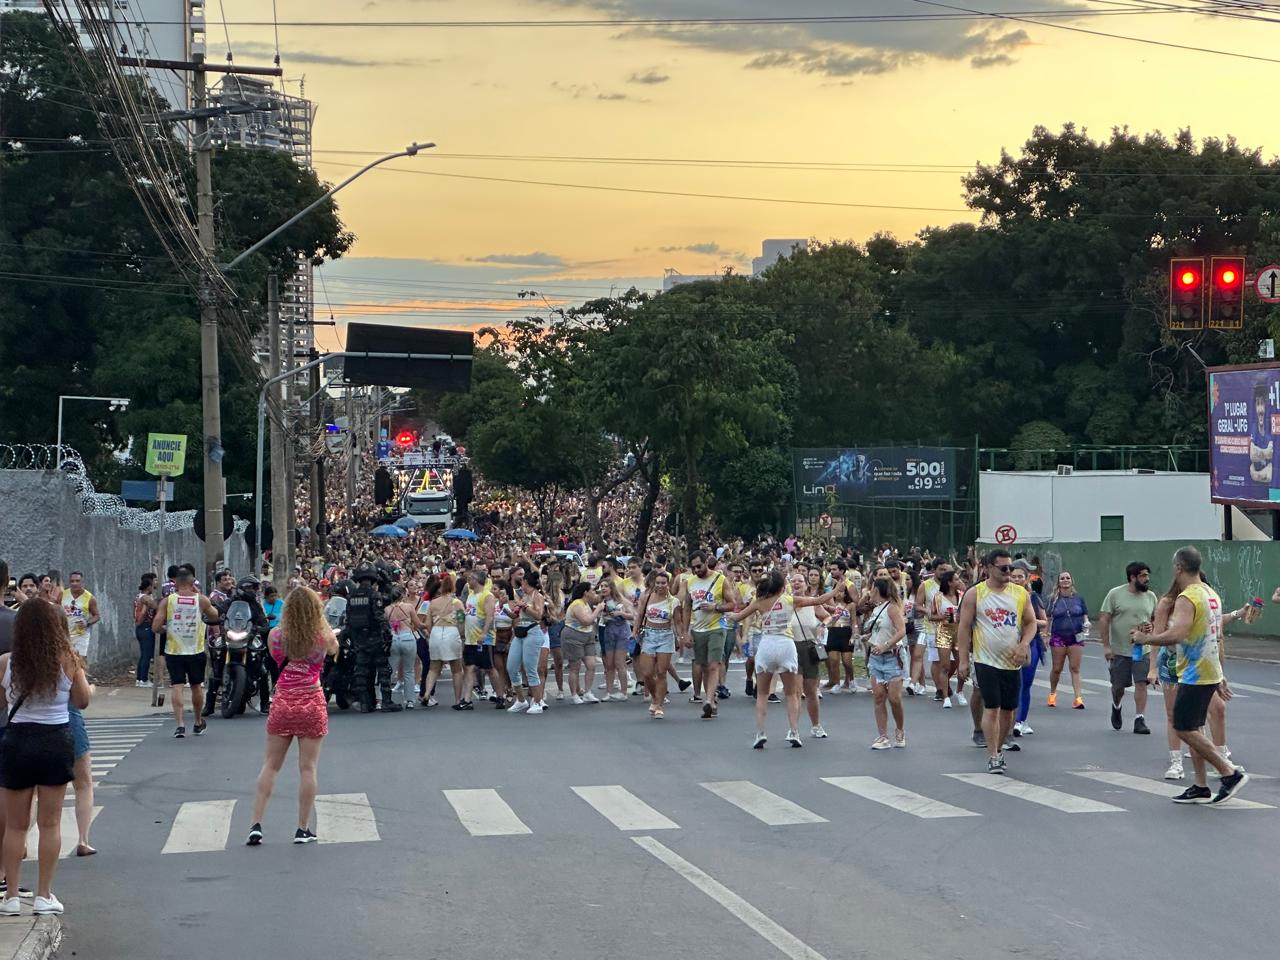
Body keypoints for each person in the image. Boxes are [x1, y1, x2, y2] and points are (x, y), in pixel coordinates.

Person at [0, 599, 93, 916]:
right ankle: (43, 895)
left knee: (15, 826)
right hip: (55, 740)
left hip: (16, 741)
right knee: (50, 823)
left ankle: (10, 897)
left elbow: (1, 703)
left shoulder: (6, 662)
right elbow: (82, 702)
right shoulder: (68, 659)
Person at [1138, 546, 1248, 804]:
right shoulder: (1210, 594)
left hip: (1195, 672)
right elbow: (1216, 635)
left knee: (1183, 727)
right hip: (1206, 669)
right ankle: (1200, 785)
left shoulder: (1187, 598)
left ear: (1178, 567)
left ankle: (1228, 773)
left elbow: (1177, 634)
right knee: (1195, 726)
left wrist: (1146, 638)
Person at [246, 586, 340, 846]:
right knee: (307, 768)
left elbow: (277, 660)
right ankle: (302, 828)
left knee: (271, 765)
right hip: (311, 699)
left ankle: (256, 823)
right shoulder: (322, 635)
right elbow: (334, 650)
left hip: (284, 700)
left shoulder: (276, 636)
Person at [728, 570, 834, 749]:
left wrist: (724, 613)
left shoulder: (759, 602)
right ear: (782, 587)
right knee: (792, 694)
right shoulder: (789, 600)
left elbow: (737, 617)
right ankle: (794, 731)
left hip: (767, 645)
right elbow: (818, 600)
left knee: (762, 694)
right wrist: (837, 588)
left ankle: (760, 733)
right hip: (786, 645)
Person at [956, 549, 1035, 775]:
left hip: (1012, 661)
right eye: (1003, 568)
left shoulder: (1020, 594)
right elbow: (963, 628)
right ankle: (994, 755)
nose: (1008, 572)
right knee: (992, 707)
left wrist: (1024, 644)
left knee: (1009, 711)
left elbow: (1030, 623)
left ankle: (998, 748)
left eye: (1010, 568)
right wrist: (963, 660)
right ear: (988, 568)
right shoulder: (975, 594)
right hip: (985, 660)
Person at [152, 568, 221, 738]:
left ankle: (180, 725)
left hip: (174, 650)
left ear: (175, 583)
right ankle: (197, 721)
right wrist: (200, 597)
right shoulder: (201, 600)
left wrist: (167, 629)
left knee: (177, 685)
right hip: (195, 649)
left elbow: (155, 627)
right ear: (192, 583)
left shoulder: (167, 601)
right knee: (196, 685)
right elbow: (214, 616)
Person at [1098, 562, 1157, 736]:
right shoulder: (1115, 594)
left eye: (1147, 575)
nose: (1147, 579)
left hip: (1142, 649)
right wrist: (1107, 646)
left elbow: (1155, 620)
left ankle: (1140, 719)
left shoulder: (1151, 596)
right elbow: (1104, 619)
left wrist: (1151, 629)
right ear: (1133, 577)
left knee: (1141, 682)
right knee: (1118, 687)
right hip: (1120, 650)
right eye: (1143, 576)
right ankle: (1116, 706)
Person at [680, 551, 736, 720]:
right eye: (693, 567)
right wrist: (684, 633)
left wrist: (716, 607)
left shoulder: (720, 580)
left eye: (699, 566)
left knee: (713, 665)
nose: (697, 570)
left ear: (706, 562)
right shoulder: (690, 582)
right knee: (703, 666)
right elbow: (687, 608)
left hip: (716, 627)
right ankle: (712, 701)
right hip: (698, 629)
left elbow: (732, 604)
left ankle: (709, 700)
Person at [862, 575, 908, 750]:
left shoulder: (892, 608)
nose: (869, 592)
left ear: (878, 590)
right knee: (879, 697)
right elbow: (880, 629)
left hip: (892, 656)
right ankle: (882, 736)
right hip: (876, 658)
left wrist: (886, 645)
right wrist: (870, 637)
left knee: (894, 698)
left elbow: (901, 630)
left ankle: (900, 729)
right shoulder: (876, 609)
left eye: (872, 588)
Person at [347, 565, 401, 713]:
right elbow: (379, 617)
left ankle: (365, 703)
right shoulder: (374, 595)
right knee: (383, 671)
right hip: (375, 637)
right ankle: (386, 702)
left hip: (359, 639)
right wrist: (386, 635)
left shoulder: (351, 596)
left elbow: (349, 620)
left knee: (362, 672)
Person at [633, 570, 678, 719]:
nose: (660, 585)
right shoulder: (647, 597)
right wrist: (635, 630)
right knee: (646, 673)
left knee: (661, 672)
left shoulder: (674, 601)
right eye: (657, 583)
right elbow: (640, 615)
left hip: (665, 635)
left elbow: (678, 622)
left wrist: (682, 637)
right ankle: (655, 697)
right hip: (649, 635)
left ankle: (659, 705)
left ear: (668, 584)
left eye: (663, 583)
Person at [1010, 561, 1046, 738]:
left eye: (1020, 577)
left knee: (1025, 683)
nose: (1017, 579)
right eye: (1014, 576)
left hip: (1031, 644)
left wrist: (1029, 621)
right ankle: (1010, 720)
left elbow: (1044, 621)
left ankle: (1021, 721)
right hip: (1009, 644)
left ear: (1026, 579)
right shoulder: (1004, 597)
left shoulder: (1033, 598)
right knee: (1013, 684)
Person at [506, 570, 549, 714]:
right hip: (520, 631)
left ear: (526, 582)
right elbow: (514, 615)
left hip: (533, 631)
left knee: (531, 668)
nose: (520, 584)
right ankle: (521, 700)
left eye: (522, 581)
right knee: (512, 666)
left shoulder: (538, 596)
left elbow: (538, 615)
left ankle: (537, 701)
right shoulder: (524, 596)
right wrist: (504, 606)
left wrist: (525, 606)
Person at [1045, 570, 1089, 709]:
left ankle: (1078, 698)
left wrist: (1087, 624)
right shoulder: (1053, 599)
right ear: (1058, 582)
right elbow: (1048, 618)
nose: (1065, 580)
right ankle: (1052, 694)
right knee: (1057, 668)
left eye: (1068, 578)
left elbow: (1085, 615)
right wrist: (1045, 634)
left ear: (1072, 581)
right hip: (1058, 636)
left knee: (1075, 668)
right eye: (1062, 578)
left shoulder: (1079, 598)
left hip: (1076, 636)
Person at [423, 574, 466, 709]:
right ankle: (458, 699)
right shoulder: (457, 603)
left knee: (433, 668)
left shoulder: (433, 603)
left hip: (436, 632)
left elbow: (428, 623)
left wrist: (431, 634)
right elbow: (461, 621)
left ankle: (427, 693)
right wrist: (460, 634)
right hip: (451, 632)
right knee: (456, 669)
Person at [561, 583, 603, 704]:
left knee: (591, 665)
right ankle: (574, 694)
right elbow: (586, 621)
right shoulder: (577, 604)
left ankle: (588, 692)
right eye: (592, 591)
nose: (594, 593)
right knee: (575, 667)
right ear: (586, 592)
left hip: (587, 636)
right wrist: (598, 609)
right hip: (573, 636)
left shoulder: (585, 603)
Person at [385, 587, 421, 709]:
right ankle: (410, 700)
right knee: (409, 670)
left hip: (394, 638)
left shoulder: (387, 609)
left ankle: (383, 698)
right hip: (407, 638)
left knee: (390, 670)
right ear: (402, 596)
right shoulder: (409, 607)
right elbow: (418, 624)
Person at [60, 572, 99, 659]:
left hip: (81, 634)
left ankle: (83, 672)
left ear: (82, 583)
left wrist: (87, 623)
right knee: (65, 660)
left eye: (77, 581)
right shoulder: (63, 595)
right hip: (65, 634)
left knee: (80, 660)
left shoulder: (90, 598)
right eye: (72, 581)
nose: (75, 583)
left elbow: (96, 616)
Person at [133, 573, 158, 688]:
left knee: (143, 654)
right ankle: (143, 679)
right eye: (153, 585)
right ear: (148, 587)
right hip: (146, 627)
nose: (154, 587)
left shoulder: (138, 596)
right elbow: (147, 611)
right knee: (146, 655)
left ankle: (139, 679)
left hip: (141, 628)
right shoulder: (146, 598)